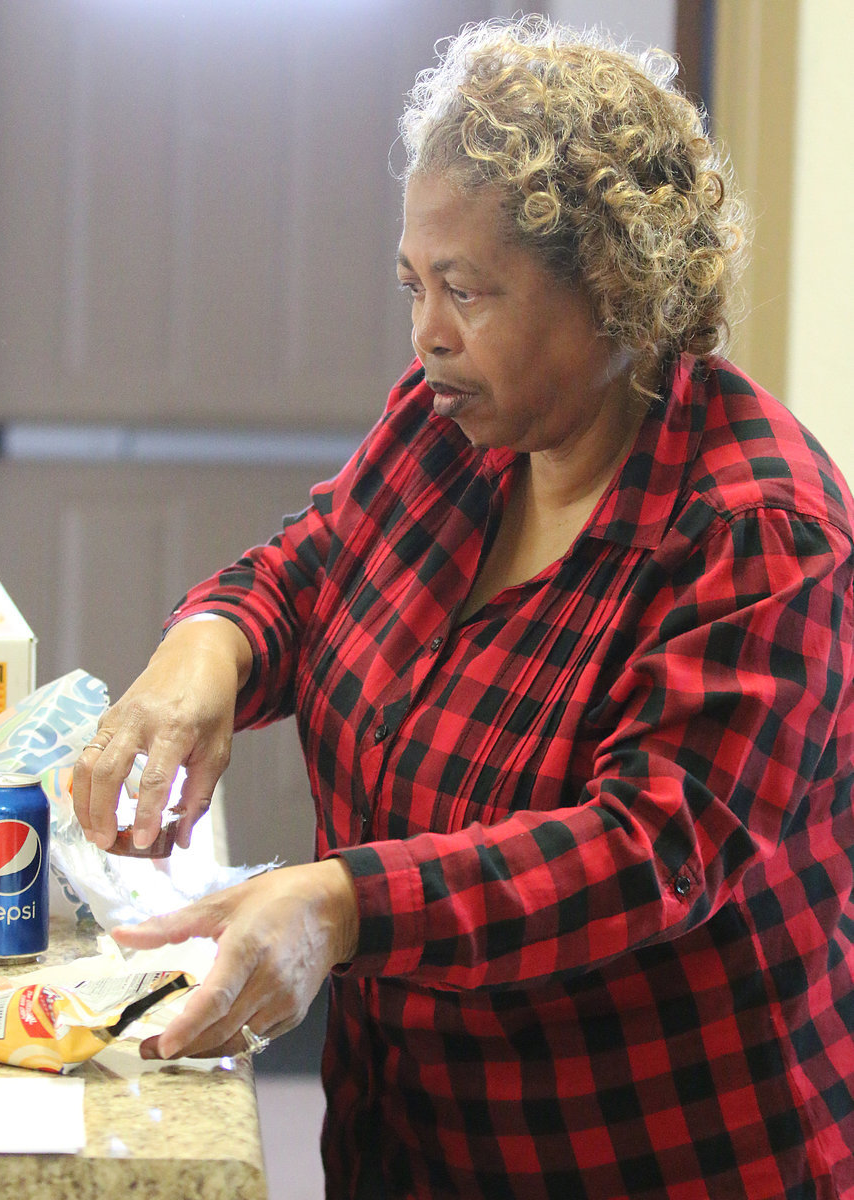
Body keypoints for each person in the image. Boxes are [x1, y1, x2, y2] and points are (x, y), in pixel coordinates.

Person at [73, 15, 854, 1200]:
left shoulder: (756, 532)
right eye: (412, 285)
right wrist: (207, 649)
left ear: (618, 288)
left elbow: (646, 852)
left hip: (655, 1158)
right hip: (414, 1140)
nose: (425, 332)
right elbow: (316, 564)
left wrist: (340, 905)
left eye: (466, 291)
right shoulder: (459, 422)